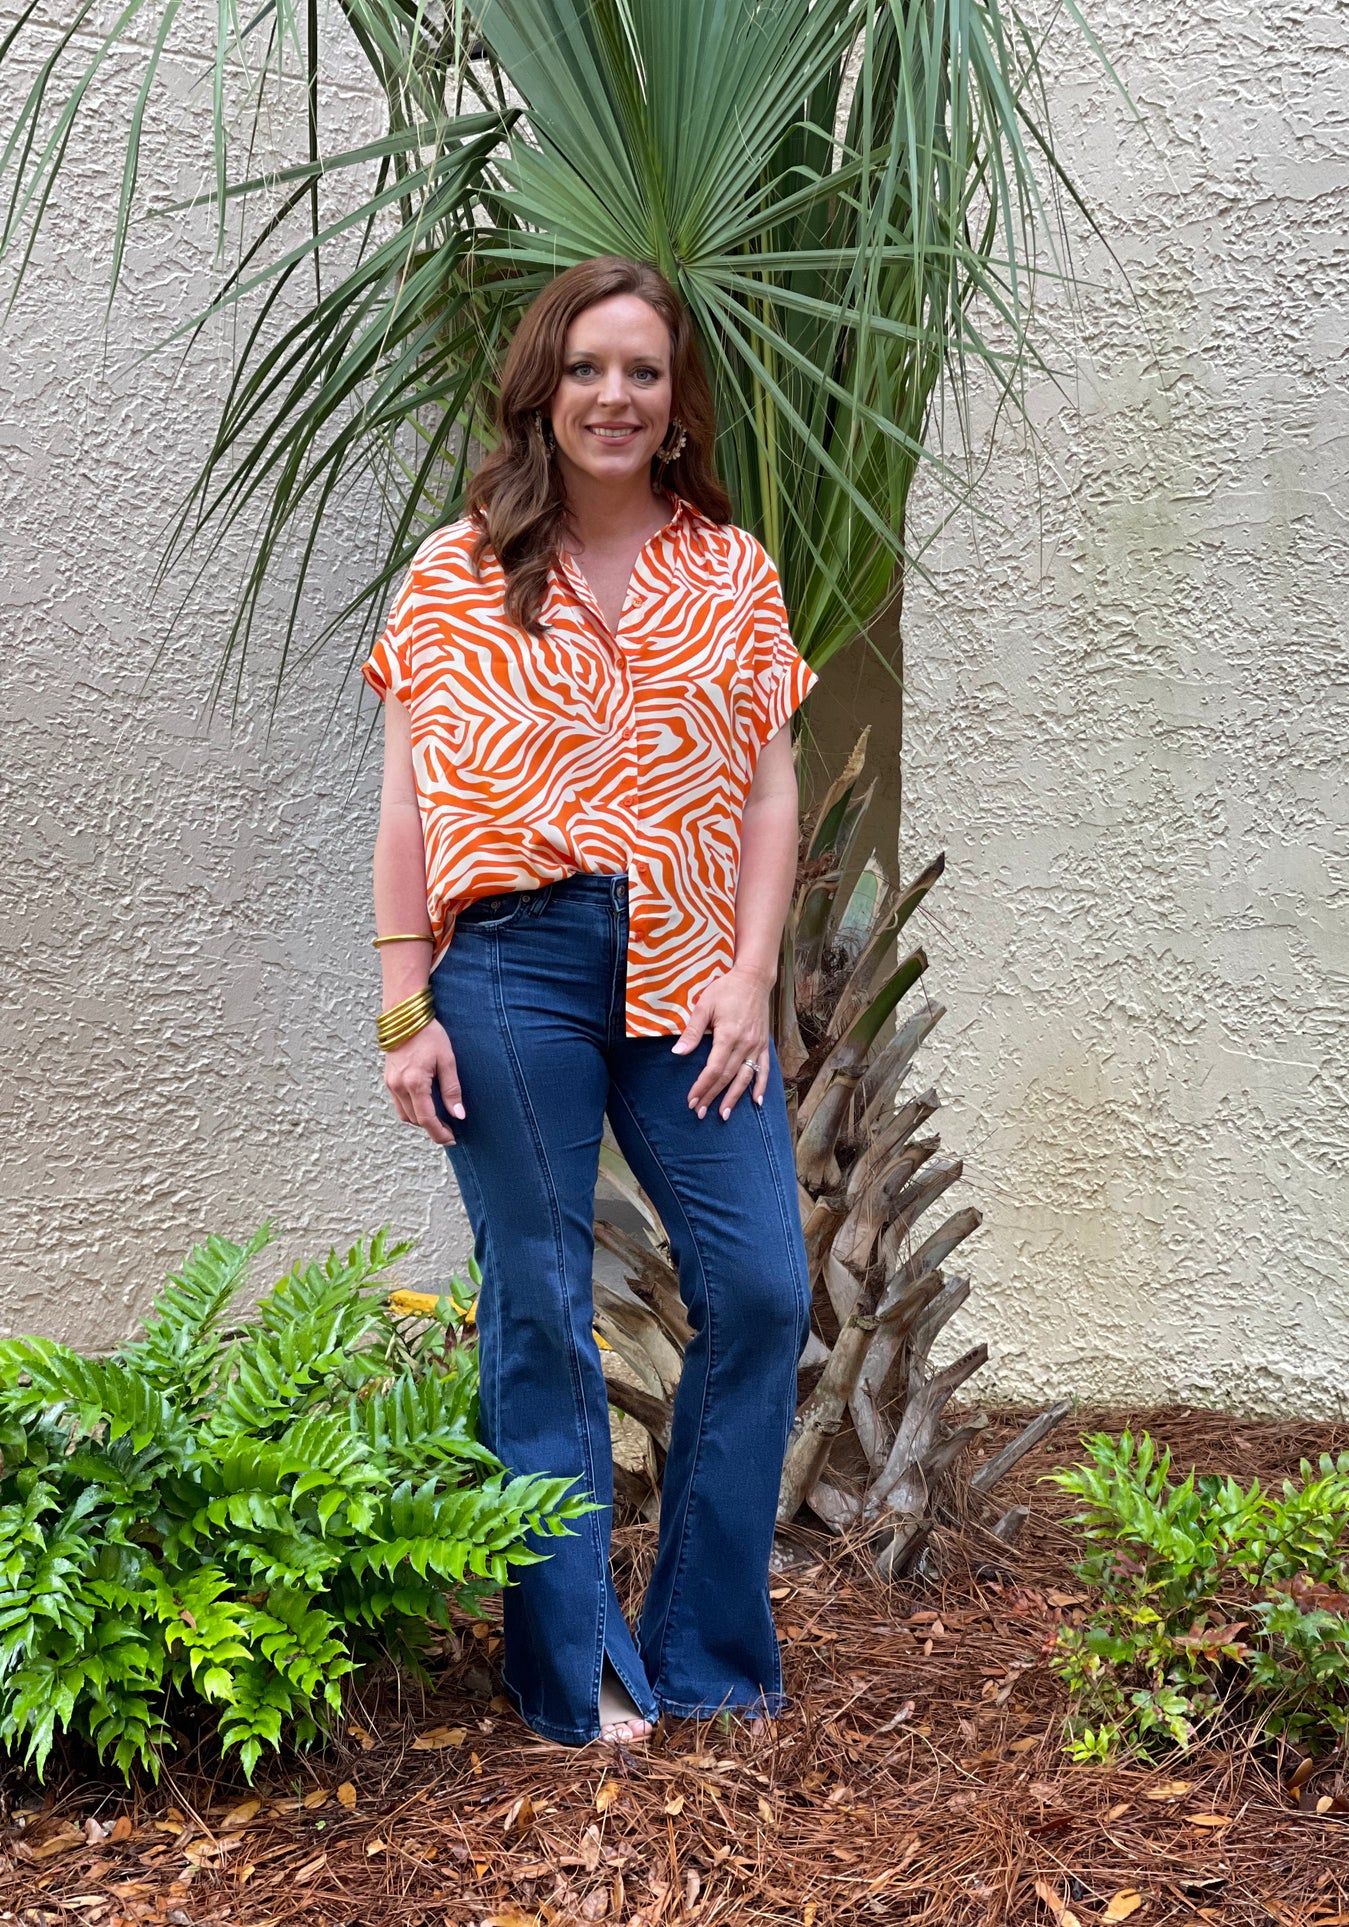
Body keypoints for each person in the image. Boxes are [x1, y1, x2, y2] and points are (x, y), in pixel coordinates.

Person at [363, 256, 818, 1747]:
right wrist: (400, 1003)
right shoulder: (450, 576)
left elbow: (767, 794)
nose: (613, 397)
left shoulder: (731, 573)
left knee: (758, 1288)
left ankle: (700, 1649)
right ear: (539, 392)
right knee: (542, 1312)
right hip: (511, 970)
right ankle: (577, 1674)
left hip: (694, 974)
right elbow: (408, 808)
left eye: (642, 372)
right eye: (586, 370)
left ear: (678, 402)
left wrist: (752, 980)